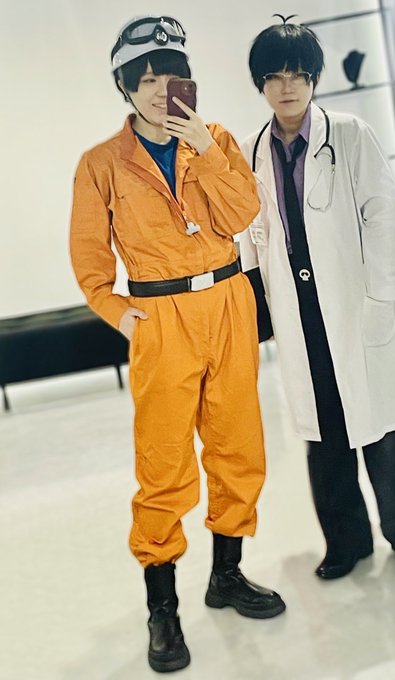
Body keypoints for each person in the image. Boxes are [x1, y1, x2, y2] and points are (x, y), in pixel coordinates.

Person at [70, 15, 285, 674]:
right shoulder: (101, 164)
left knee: (238, 445)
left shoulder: (215, 140)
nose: (162, 90)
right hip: (161, 317)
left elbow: (243, 214)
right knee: (163, 462)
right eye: (146, 80)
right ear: (125, 87)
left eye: (172, 77)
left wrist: (206, 149)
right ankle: (161, 607)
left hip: (228, 301)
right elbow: (89, 260)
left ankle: (227, 575)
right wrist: (123, 316)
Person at [240, 17, 395, 581]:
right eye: (275, 76)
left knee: (384, 428)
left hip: (356, 301)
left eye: (297, 75)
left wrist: (380, 292)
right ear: (260, 83)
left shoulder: (349, 134)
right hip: (298, 308)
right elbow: (249, 232)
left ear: (313, 79)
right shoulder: (251, 150)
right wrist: (260, 306)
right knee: (324, 433)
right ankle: (345, 543)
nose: (287, 87)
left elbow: (385, 212)